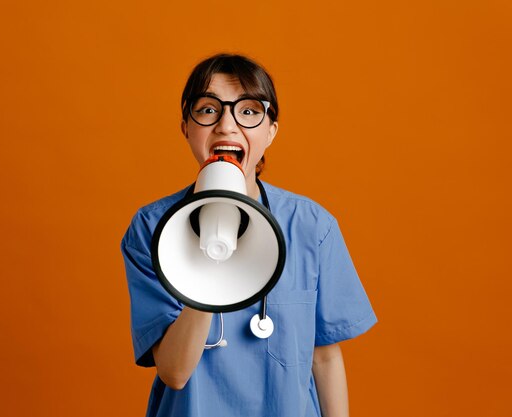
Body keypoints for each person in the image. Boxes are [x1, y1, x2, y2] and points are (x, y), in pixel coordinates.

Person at [121, 53, 377, 417]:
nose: (226, 125)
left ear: (271, 131)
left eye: (248, 111)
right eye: (208, 110)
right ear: (186, 128)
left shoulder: (311, 226)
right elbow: (174, 373)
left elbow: (325, 357)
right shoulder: (151, 229)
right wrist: (210, 267)